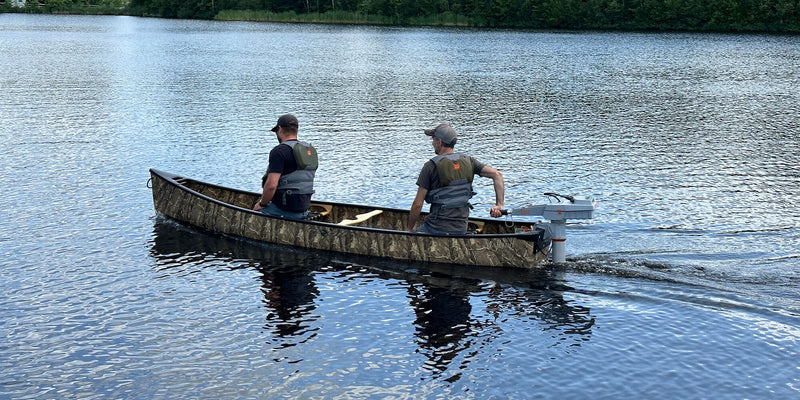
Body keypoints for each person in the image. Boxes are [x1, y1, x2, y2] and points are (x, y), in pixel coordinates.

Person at [407, 123, 504, 235]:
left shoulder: (430, 166)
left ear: (439, 142)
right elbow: (497, 175)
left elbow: (417, 204)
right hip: (461, 228)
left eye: (433, 139)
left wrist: (409, 230)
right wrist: (499, 205)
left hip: (435, 229)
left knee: (411, 235)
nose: (432, 143)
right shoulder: (470, 161)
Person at [253, 114, 318, 219]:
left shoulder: (279, 151)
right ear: (296, 130)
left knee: (254, 212)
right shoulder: (309, 150)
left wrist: (261, 204)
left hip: (283, 209)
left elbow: (271, 186)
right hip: (303, 208)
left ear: (280, 129)